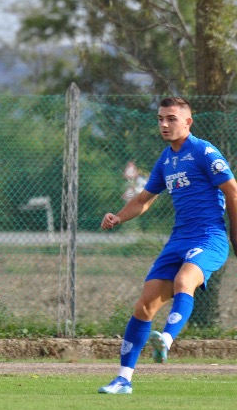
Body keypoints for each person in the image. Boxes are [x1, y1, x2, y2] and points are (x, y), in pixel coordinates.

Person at [98, 97, 237, 394]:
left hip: (209, 237)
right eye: (160, 118)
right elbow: (143, 200)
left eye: (171, 118)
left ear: (188, 122)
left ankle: (167, 339)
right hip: (178, 239)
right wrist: (118, 218)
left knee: (184, 280)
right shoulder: (167, 158)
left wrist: (235, 235)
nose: (164, 123)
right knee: (145, 304)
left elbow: (233, 190)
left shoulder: (203, 150)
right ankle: (123, 379)